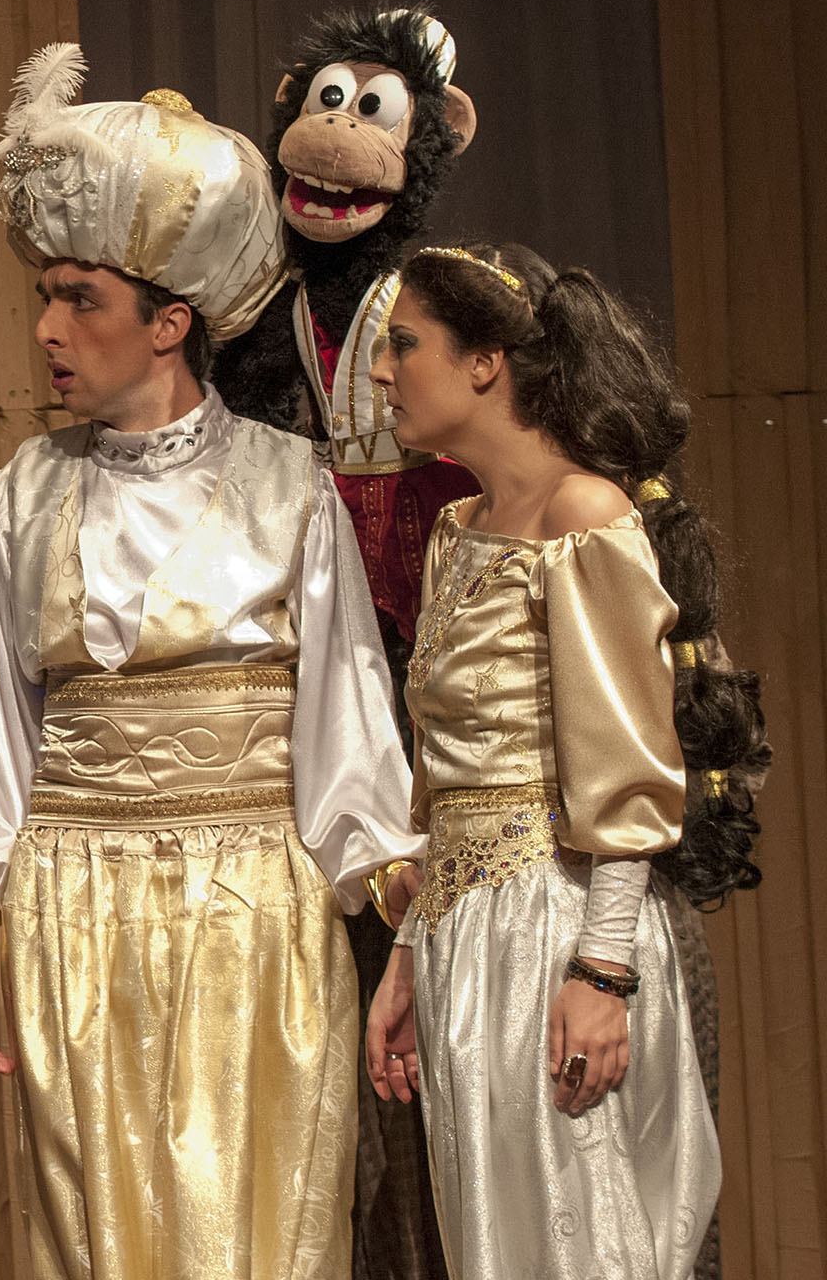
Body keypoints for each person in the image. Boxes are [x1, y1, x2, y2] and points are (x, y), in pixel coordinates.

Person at [0, 43, 424, 1279]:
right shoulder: (25, 491)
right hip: (72, 908)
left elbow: (346, 727)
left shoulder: (286, 481)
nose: (45, 328)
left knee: (257, 1236)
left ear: (168, 321)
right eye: (43, 295)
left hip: (252, 911)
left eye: (77, 299)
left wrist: (403, 912)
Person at [363, 242, 760, 1279]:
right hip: (465, 939)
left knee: (589, 1241)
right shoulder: (455, 530)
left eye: (404, 344)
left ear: (484, 360)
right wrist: (407, 950)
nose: (381, 370)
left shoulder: (582, 516)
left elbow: (624, 760)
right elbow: (446, 781)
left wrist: (601, 970)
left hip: (559, 924)